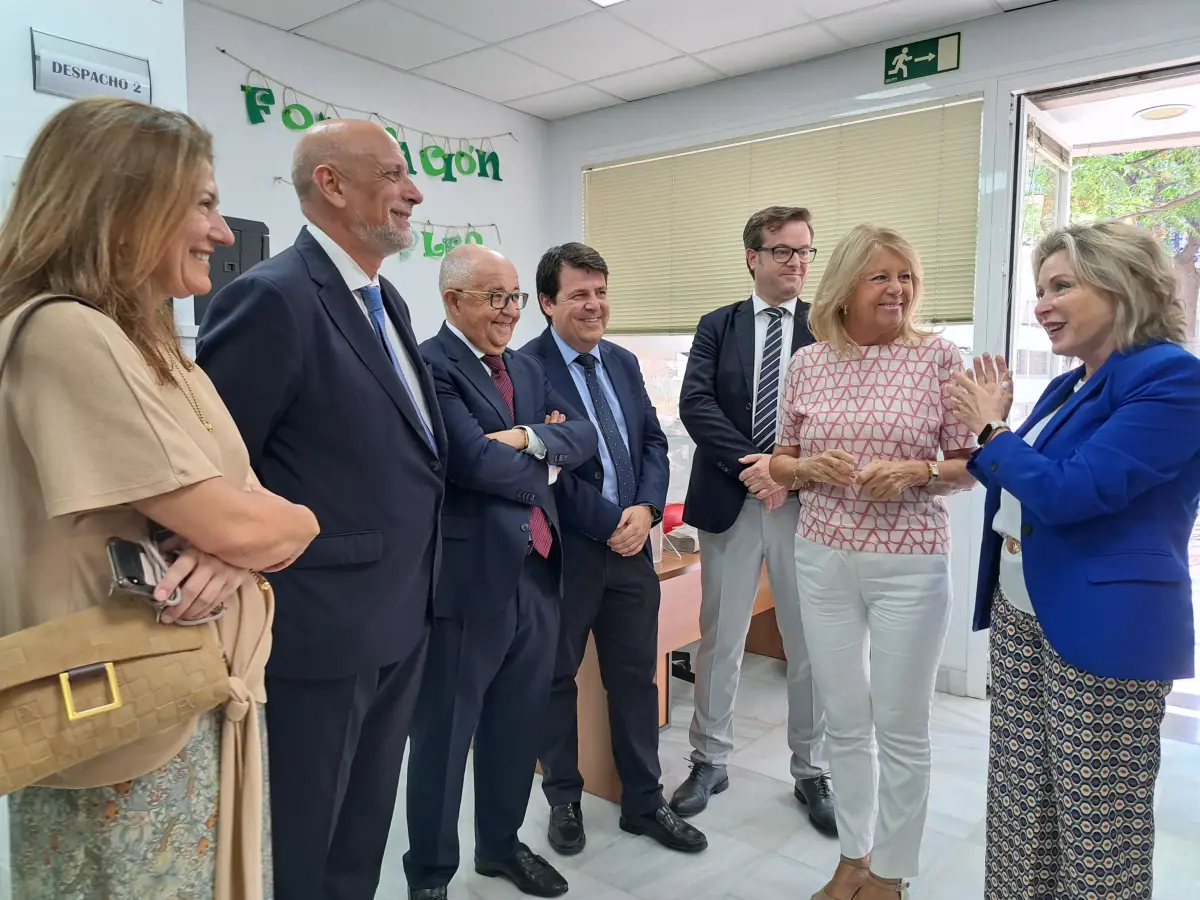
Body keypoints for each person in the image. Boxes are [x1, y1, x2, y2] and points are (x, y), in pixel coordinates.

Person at [0, 96, 318, 900]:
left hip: (191, 704)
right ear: (123, 207)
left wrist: (251, 542)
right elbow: (245, 519)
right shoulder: (65, 333)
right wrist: (253, 534)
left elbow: (267, 519)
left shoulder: (160, 353)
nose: (222, 232)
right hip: (126, 727)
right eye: (203, 203)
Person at [197, 119, 446, 900]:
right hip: (319, 629)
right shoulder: (270, 298)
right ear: (332, 184)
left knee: (362, 835)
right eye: (394, 174)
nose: (413, 193)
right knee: (303, 842)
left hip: (401, 615)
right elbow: (216, 468)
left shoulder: (384, 299)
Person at [949, 221, 1200, 900]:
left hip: (1104, 626)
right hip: (1023, 611)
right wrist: (993, 438)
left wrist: (991, 429)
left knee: (1096, 829)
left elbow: (1070, 492)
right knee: (1021, 801)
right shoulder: (1070, 387)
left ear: (1121, 285)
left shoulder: (1173, 377)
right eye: (1039, 290)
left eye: (1061, 286)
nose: (1042, 305)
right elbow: (1019, 480)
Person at [769, 224, 977, 900]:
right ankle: (853, 857)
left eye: (906, 276)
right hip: (822, 556)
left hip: (910, 564)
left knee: (901, 724)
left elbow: (970, 464)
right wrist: (807, 468)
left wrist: (919, 471)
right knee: (843, 719)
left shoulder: (939, 357)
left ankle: (891, 872)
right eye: (880, 276)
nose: (897, 289)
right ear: (845, 288)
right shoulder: (808, 362)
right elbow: (780, 461)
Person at [404, 244, 598, 900]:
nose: (511, 311)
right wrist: (547, 452)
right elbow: (469, 462)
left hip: (538, 571)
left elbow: (585, 435)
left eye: (514, 297)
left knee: (517, 725)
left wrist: (525, 438)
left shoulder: (526, 366)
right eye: (496, 297)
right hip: (467, 580)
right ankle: (430, 875)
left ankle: (499, 845)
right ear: (453, 300)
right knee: (445, 736)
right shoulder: (430, 366)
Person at [524, 242, 707, 856]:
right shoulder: (526, 370)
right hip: (567, 554)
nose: (594, 305)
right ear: (547, 302)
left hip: (632, 552)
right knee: (556, 678)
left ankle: (644, 803)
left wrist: (648, 509)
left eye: (601, 292)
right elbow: (543, 471)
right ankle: (564, 799)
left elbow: (652, 442)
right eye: (578, 294)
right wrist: (609, 523)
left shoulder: (623, 362)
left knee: (635, 679)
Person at [673, 206, 834, 835]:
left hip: (804, 506)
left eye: (805, 251)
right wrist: (756, 467)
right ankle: (709, 760)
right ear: (753, 257)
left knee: (808, 640)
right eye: (783, 250)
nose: (797, 262)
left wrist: (786, 472)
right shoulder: (718, 325)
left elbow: (835, 412)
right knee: (721, 637)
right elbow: (696, 404)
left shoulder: (827, 325)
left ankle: (812, 769)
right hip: (731, 499)